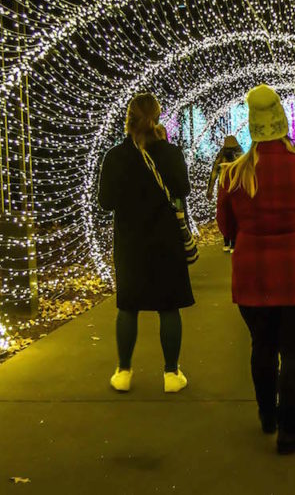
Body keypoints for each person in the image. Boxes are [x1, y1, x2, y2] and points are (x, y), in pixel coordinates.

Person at [216, 85, 295, 454]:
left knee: (263, 346)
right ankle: (289, 429)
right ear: (284, 125)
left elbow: (226, 228)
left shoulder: (233, 174)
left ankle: (267, 414)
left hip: (253, 278)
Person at [98, 93, 195, 394]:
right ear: (158, 117)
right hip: (166, 239)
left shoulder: (115, 157)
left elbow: (105, 202)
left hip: (130, 243)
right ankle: (171, 373)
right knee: (169, 307)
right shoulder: (170, 153)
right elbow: (182, 189)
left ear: (128, 119)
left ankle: (124, 371)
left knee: (128, 306)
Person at [206, 135, 243, 253]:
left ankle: (226, 241)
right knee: (235, 215)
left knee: (225, 215)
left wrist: (210, 190)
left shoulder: (221, 156)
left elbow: (213, 174)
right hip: (237, 188)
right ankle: (234, 242)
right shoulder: (241, 155)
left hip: (223, 188)